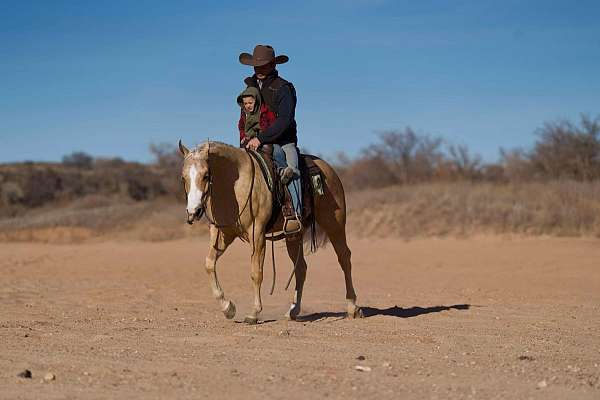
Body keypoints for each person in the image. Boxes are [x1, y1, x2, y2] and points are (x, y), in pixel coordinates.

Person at [239, 45, 302, 233]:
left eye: (263, 65)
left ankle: (294, 214)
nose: (259, 69)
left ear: (273, 64)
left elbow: (285, 120)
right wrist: (245, 137)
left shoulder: (284, 88)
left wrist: (262, 138)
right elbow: (245, 117)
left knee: (292, 169)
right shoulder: (249, 88)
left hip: (283, 141)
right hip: (254, 140)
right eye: (256, 65)